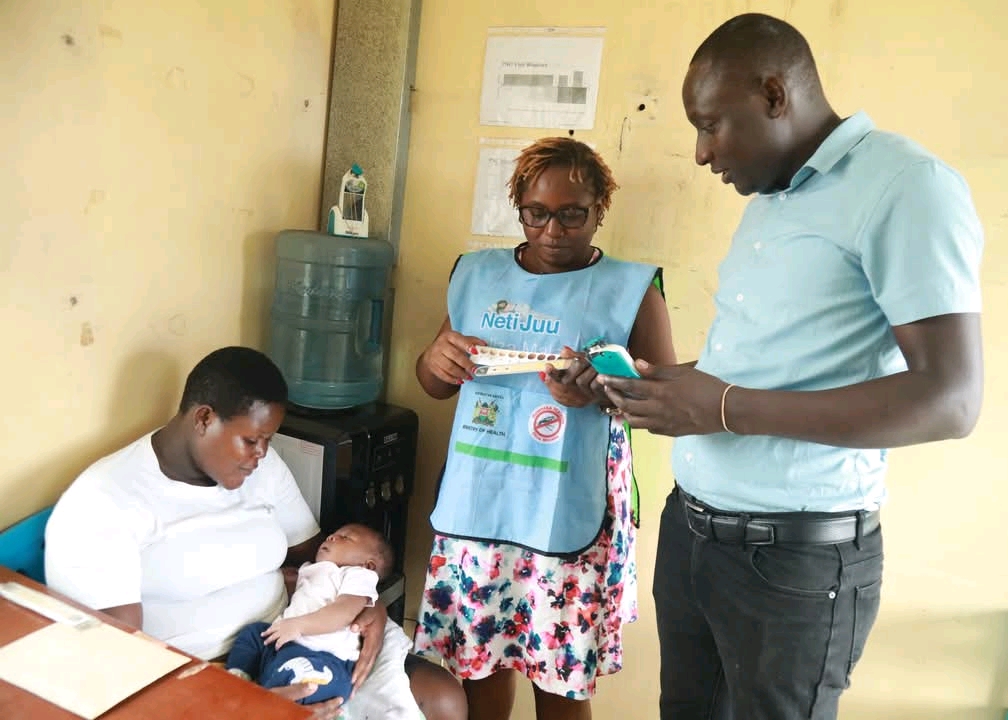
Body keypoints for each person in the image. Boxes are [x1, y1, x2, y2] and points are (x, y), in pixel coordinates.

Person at [597, 13, 985, 720]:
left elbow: (950, 400)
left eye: (711, 125)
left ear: (775, 95)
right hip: (693, 534)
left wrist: (721, 408)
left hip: (792, 564)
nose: (701, 154)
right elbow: (762, 365)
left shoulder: (906, 186)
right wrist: (650, 389)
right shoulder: (774, 196)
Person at [45, 346, 467, 720]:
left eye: (268, 440)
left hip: (302, 636)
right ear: (204, 419)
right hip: (199, 678)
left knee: (442, 697)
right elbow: (114, 664)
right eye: (252, 440)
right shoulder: (106, 501)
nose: (262, 455)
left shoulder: (260, 469)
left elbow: (316, 554)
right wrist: (237, 704)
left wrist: (365, 604)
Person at [413, 136, 677, 720]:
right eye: (536, 213)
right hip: (480, 507)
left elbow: (668, 407)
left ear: (600, 209)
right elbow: (434, 384)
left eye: (572, 214)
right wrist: (433, 361)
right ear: (518, 207)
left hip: (568, 514)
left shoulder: (632, 289)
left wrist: (600, 395)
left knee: (561, 684)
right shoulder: (475, 275)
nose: (553, 231)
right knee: (481, 665)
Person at [226, 523, 396, 706]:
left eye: (346, 538)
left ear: (368, 565)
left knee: (302, 678)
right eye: (334, 533)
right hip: (285, 643)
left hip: (325, 658)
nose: (332, 537)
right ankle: (237, 678)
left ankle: (261, 700)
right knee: (253, 634)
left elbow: (343, 613)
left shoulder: (358, 576)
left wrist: (299, 626)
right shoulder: (313, 569)